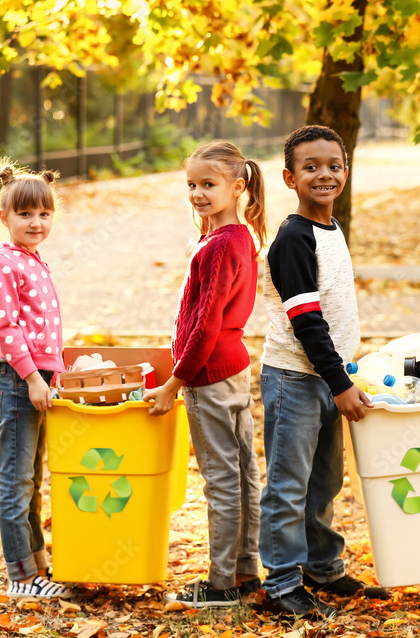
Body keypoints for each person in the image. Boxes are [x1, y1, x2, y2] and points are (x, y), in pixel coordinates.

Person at [257, 125, 390, 621]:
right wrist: (342, 385)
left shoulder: (330, 229)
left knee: (324, 481)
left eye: (333, 166)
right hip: (297, 379)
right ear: (290, 177)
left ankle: (322, 567)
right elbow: (307, 323)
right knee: (289, 485)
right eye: (311, 167)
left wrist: (343, 376)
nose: (324, 175)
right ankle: (282, 584)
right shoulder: (292, 238)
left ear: (346, 172)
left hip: (327, 378)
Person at [143, 140, 266, 608]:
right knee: (242, 474)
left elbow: (206, 322)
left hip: (210, 375)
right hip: (232, 370)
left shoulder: (220, 245)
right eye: (191, 184)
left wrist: (175, 383)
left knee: (222, 479)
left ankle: (220, 585)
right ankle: (245, 571)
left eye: (208, 184)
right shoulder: (238, 237)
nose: (197, 192)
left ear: (238, 187)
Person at [0, 159, 70, 600]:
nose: (36, 222)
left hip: (38, 380)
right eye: (25, 214)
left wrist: (54, 373)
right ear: (4, 217)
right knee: (15, 482)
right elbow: (6, 328)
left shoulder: (31, 259)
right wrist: (32, 378)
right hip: (16, 381)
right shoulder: (2, 263)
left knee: (31, 479)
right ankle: (21, 578)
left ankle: (37, 564)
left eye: (44, 214)